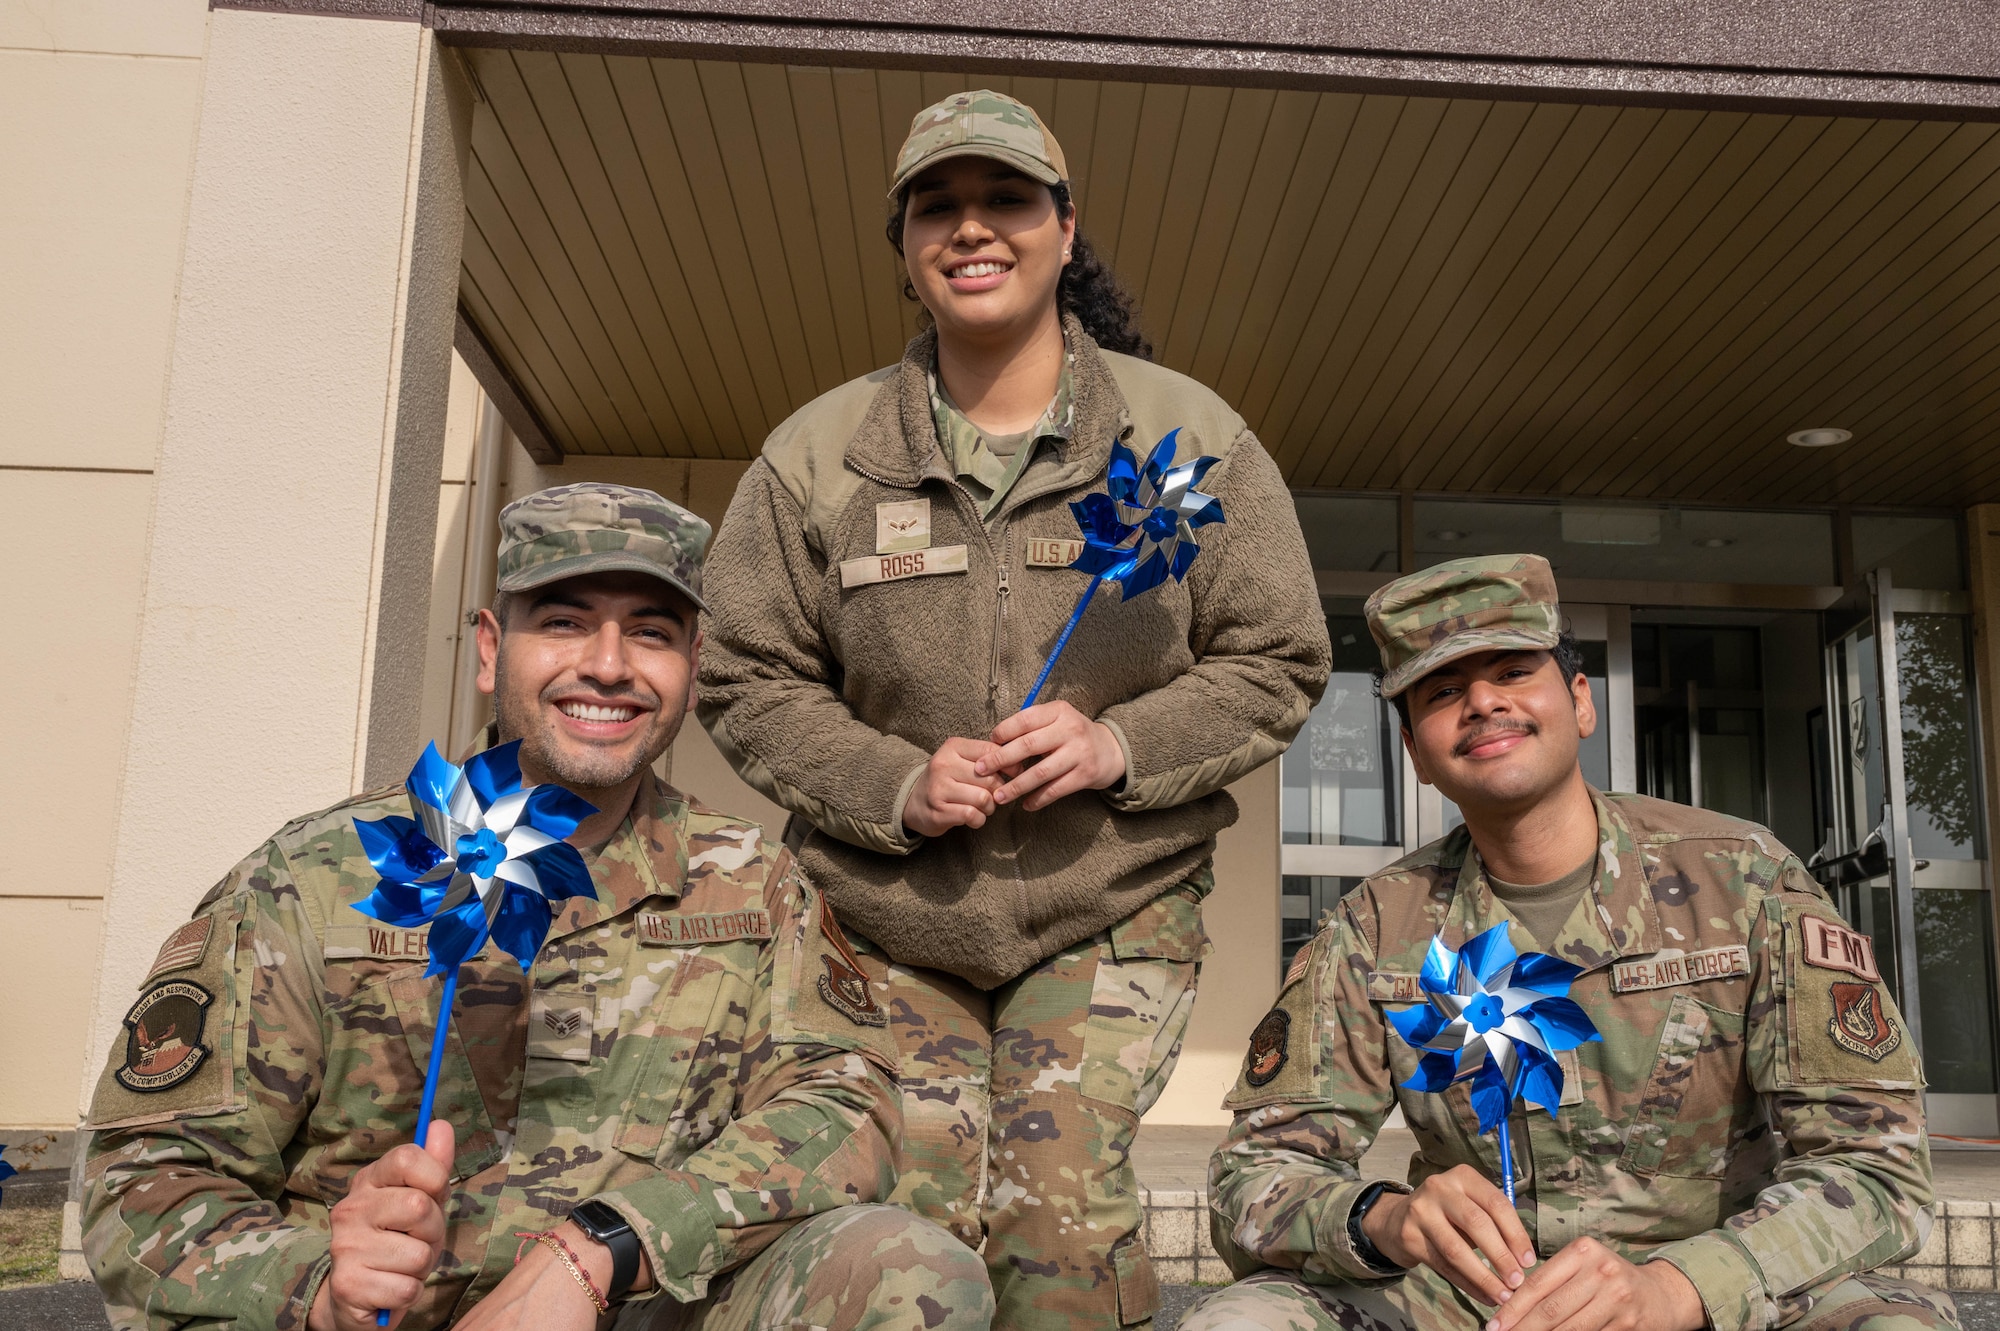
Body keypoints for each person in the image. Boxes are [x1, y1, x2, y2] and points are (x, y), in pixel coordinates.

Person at [695, 90, 1331, 1328]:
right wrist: (890, 782)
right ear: (905, 243)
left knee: (1054, 1223)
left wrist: (1118, 742)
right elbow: (744, 674)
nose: (971, 227)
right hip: (885, 917)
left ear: (1062, 225)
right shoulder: (817, 456)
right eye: (938, 205)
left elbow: (1277, 657)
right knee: (916, 1228)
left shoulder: (1187, 440)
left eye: (1005, 201)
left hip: (1109, 905)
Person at [81, 483, 993, 1331]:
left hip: (639, 1303)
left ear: (693, 664)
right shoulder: (315, 876)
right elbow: (142, 1179)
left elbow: (843, 1109)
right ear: (489, 647)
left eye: (650, 632)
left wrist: (600, 1245)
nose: (608, 666)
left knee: (907, 1265)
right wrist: (316, 1280)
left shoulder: (754, 883)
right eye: (563, 622)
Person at [1187, 553, 1954, 1331]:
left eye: (1515, 671)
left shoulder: (1746, 881)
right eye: (1443, 690)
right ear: (1415, 752)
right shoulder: (1377, 927)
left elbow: (1876, 1172)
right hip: (1476, 1299)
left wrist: (1678, 1286)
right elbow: (1253, 1179)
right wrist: (1385, 1218)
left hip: (1721, 1286)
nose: (1483, 700)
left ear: (1581, 702)